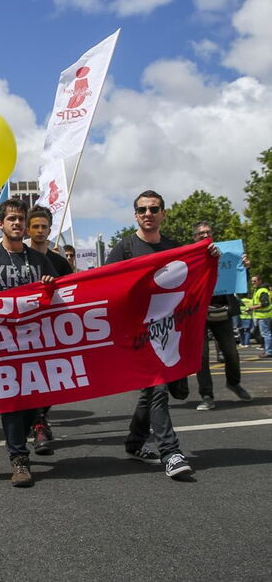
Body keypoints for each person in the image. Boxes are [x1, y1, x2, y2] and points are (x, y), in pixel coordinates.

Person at [105, 190, 213, 480]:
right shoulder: (124, 248)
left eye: (154, 209)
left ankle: (134, 443)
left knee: (150, 393)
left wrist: (209, 258)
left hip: (166, 332)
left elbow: (192, 282)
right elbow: (104, 289)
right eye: (142, 209)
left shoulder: (174, 248)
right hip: (136, 336)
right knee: (158, 389)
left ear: (163, 213)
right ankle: (170, 452)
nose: (148, 214)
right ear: (135, 215)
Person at [0, 198, 56, 488]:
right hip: (1, 343)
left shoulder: (41, 260)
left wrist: (49, 286)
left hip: (35, 342)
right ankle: (19, 459)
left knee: (33, 402)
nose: (16, 223)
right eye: (11, 219)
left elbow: (58, 296)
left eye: (20, 219)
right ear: (1, 224)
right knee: (13, 401)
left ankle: (33, 426)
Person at [25, 205, 74, 454]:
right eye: (35, 226)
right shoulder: (19, 257)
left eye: (44, 226)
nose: (40, 230)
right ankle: (38, 424)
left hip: (52, 330)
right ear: (28, 229)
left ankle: (40, 419)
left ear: (50, 228)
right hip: (23, 332)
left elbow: (73, 292)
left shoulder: (59, 262)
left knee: (51, 379)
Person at [192, 222, 251, 409]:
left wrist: (244, 268)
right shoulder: (190, 259)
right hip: (199, 314)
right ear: (194, 237)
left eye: (208, 232)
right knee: (201, 357)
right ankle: (207, 395)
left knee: (232, 353)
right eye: (200, 233)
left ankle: (233, 383)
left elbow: (239, 282)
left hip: (222, 311)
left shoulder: (228, 254)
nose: (204, 235)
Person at [248, 275, 272, 358]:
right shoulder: (257, 290)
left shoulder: (262, 290)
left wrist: (252, 308)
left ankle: (268, 351)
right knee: (265, 334)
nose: (252, 283)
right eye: (252, 281)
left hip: (264, 316)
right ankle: (267, 350)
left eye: (254, 281)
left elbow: (265, 303)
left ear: (260, 281)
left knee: (266, 334)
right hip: (261, 316)